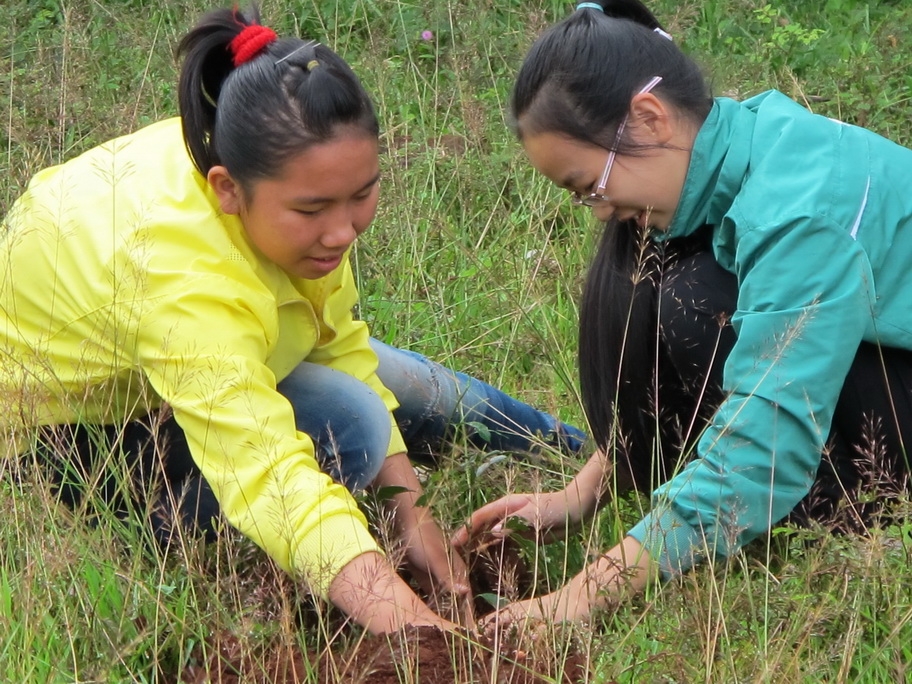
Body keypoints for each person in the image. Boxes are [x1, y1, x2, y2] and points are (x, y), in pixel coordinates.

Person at [0, 6, 586, 635]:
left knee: (402, 388)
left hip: (217, 345)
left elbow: (340, 343)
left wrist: (411, 515)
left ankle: (595, 457)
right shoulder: (178, 275)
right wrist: (418, 632)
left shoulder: (277, 155)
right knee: (356, 422)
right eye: (313, 209)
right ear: (228, 191)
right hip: (77, 438)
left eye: (362, 194)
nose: (342, 230)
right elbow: (268, 474)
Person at [454, 0, 912, 625]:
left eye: (588, 185)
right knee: (687, 286)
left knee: (694, 303)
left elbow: (765, 444)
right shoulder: (744, 148)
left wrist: (579, 597)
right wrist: (577, 495)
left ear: (648, 117)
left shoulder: (799, 216)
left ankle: (868, 522)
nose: (597, 209)